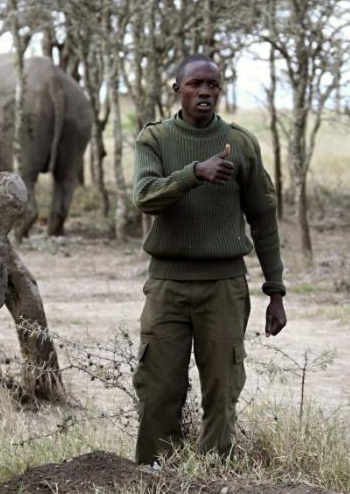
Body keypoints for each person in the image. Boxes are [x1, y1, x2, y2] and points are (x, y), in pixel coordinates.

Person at [131, 54, 288, 465]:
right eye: (195, 84)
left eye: (213, 86)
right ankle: (153, 474)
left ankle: (213, 475)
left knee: (222, 389)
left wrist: (275, 291)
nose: (204, 92)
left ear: (221, 90)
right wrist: (194, 173)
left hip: (224, 287)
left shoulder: (242, 144)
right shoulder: (156, 139)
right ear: (177, 89)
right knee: (158, 388)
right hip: (167, 285)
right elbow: (145, 197)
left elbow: (263, 219)